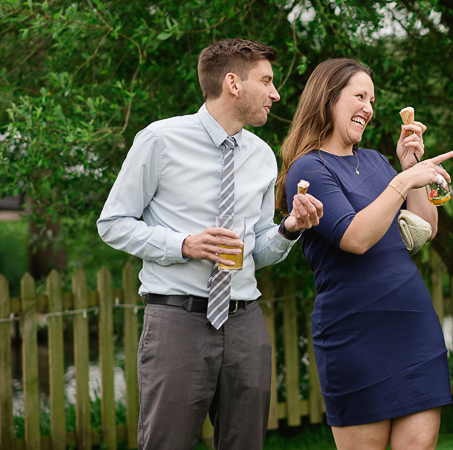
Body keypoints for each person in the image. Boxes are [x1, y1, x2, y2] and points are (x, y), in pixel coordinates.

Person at [97, 38, 324, 450]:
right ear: (233, 83)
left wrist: (290, 228)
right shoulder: (159, 140)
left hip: (245, 322)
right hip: (176, 321)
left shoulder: (261, 155)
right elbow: (112, 223)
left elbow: (257, 251)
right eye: (267, 81)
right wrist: (184, 244)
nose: (275, 93)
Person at [277, 58, 453, 450]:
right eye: (359, 96)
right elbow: (355, 237)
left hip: (413, 324)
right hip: (355, 333)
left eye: (372, 100)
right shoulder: (308, 168)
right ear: (327, 99)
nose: (369, 108)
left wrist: (408, 170)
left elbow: (426, 230)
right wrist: (404, 179)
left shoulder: (376, 160)